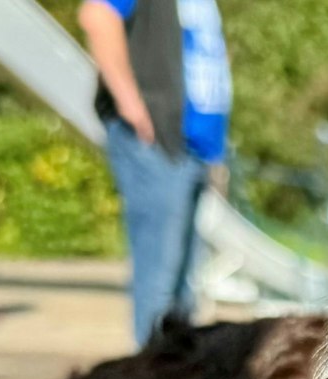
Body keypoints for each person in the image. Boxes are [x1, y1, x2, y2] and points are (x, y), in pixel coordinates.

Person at [78, 0, 232, 347]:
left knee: (184, 284)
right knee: (159, 280)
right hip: (157, 141)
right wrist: (131, 104)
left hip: (192, 148)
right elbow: (97, 15)